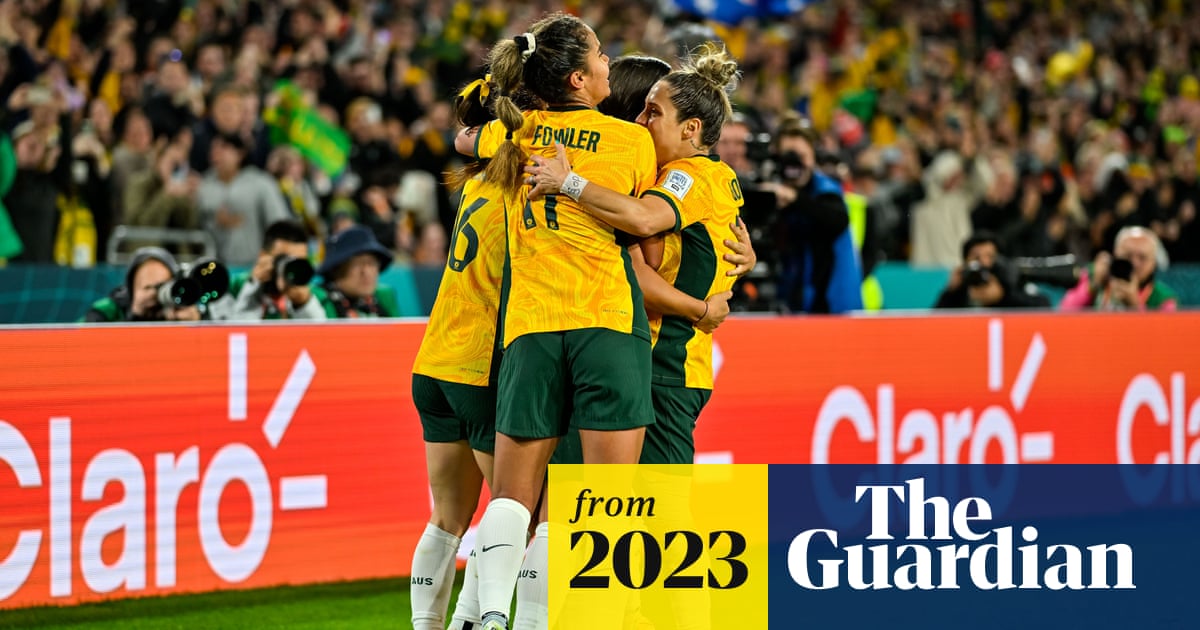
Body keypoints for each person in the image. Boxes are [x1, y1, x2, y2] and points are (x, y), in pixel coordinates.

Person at [451, 15, 688, 630]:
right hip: (606, 324)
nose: (609, 63)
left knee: (512, 498)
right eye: (601, 55)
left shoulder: (519, 131)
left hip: (531, 327)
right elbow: (649, 240)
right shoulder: (630, 141)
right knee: (599, 504)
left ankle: (485, 616)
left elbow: (464, 138)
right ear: (579, 78)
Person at [527, 44, 746, 465]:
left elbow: (644, 227)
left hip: (665, 363)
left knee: (653, 499)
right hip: (661, 363)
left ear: (691, 128)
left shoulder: (686, 177)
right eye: (642, 110)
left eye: (653, 113)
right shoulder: (704, 174)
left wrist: (569, 183)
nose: (642, 123)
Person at [409, 77, 508, 630]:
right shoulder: (523, 181)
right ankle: (474, 621)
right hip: (479, 363)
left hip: (434, 358)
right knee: (515, 509)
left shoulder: (476, 184)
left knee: (447, 518)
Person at [211, 219, 325, 320]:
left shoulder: (317, 295)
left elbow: (324, 335)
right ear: (263, 256)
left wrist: (303, 304)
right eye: (283, 259)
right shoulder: (232, 288)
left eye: (299, 262)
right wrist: (252, 291)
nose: (291, 268)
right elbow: (228, 334)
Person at [1059, 226, 1178, 311]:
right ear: (1115, 255)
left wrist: (1135, 305)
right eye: (1127, 255)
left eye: (1142, 257)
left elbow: (1163, 335)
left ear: (1153, 263)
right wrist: (1093, 285)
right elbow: (1063, 312)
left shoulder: (1164, 298)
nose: (1134, 263)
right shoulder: (1095, 276)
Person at [82, 246, 201, 322]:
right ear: (131, 290)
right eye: (148, 287)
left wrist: (192, 327)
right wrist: (134, 317)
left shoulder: (178, 309)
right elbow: (78, 339)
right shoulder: (107, 310)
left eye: (163, 287)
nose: (155, 294)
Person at [934, 232, 1050, 309]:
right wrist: (950, 292)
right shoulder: (960, 291)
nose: (984, 263)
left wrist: (1002, 297)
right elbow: (934, 323)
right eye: (976, 257)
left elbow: (1043, 307)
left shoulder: (1011, 284)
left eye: (990, 256)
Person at [317, 224, 399, 318]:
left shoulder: (383, 298)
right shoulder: (319, 300)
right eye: (357, 264)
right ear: (335, 270)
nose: (366, 272)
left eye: (371, 263)